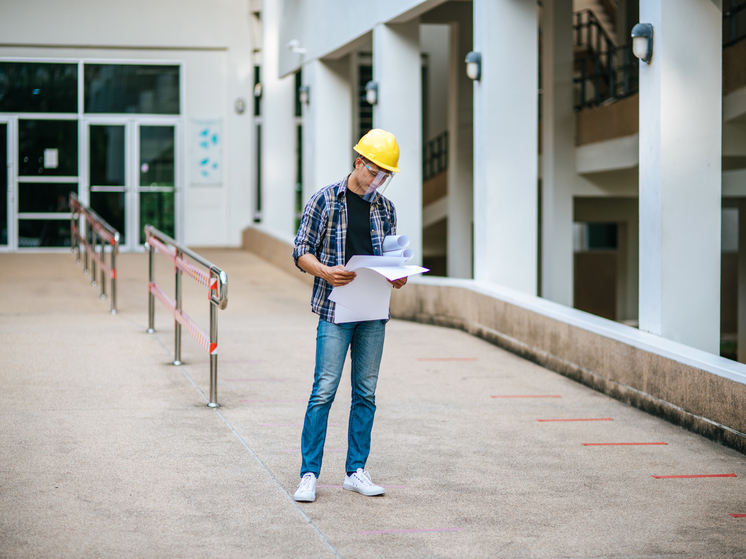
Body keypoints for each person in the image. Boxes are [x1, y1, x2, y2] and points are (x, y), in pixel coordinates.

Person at [291, 129, 407, 503]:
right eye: (375, 173)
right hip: (335, 309)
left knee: (366, 393)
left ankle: (356, 471)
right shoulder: (325, 200)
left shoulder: (385, 209)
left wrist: (398, 274)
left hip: (373, 312)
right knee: (323, 391)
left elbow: (389, 257)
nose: (379, 181)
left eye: (385, 176)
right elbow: (300, 251)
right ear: (359, 163)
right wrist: (325, 270)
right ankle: (309, 474)